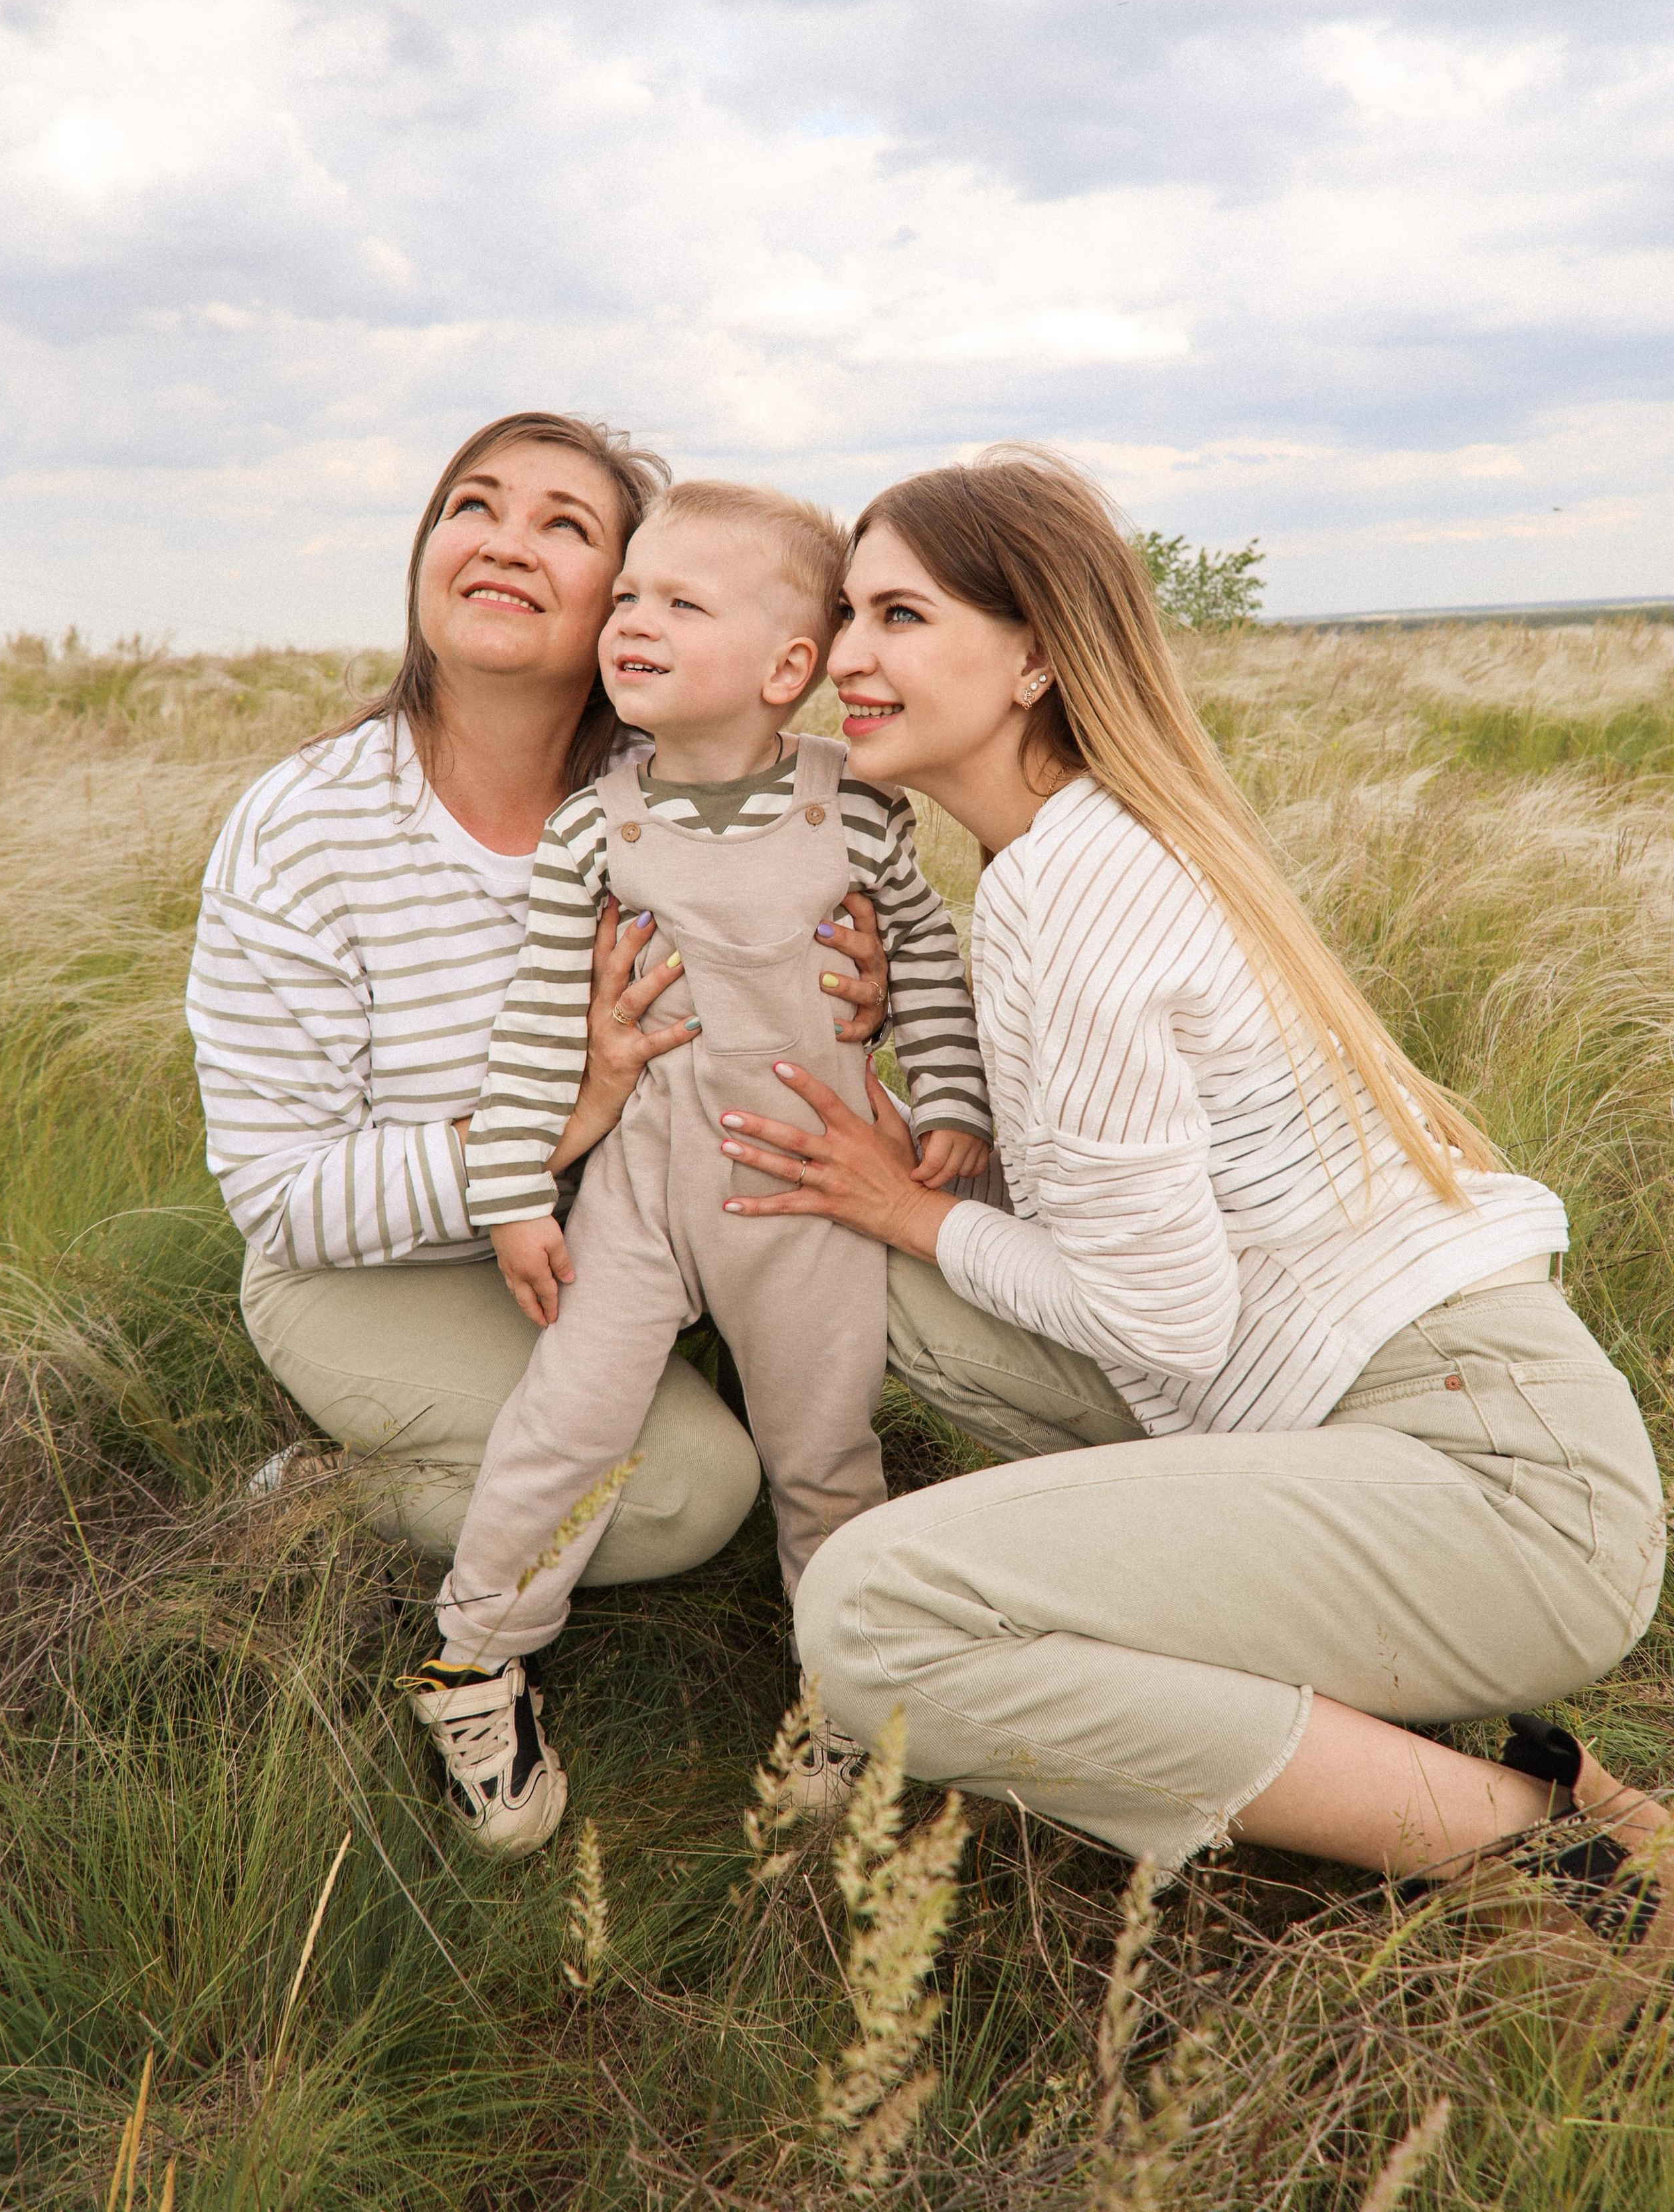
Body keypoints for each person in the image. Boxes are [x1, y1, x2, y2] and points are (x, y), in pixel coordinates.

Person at [716, 447, 1672, 2013]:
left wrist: (912, 1203)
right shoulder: (1065, 852)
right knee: (851, 1260)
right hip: (1349, 1399)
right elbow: (1142, 1223)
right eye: (843, 615)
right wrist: (915, 1178)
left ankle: (1535, 1847)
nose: (848, 656)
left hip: (1496, 1484)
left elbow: (1156, 1318)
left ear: (1032, 657)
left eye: (898, 614)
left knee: (873, 1620)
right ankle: (1275, 1676)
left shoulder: (1073, 897)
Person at [185, 413, 891, 1790]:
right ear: (424, 555)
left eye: (570, 527)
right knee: (691, 1496)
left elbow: (802, 940)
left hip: (628, 1237)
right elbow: (278, 1198)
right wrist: (556, 1124)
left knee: (832, 1361)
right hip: (374, 1270)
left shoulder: (657, 794)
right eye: (474, 506)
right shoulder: (306, 827)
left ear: (626, 604)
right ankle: (336, 1502)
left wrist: (845, 984)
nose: (507, 540)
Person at [408, 481, 992, 1849]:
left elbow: (924, 971)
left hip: (807, 1193)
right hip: (641, 1195)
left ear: (789, 668)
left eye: (681, 602)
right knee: (568, 1423)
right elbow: (539, 1026)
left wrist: (950, 1100)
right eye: (626, 598)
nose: (632, 620)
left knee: (823, 1451)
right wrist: (509, 1194)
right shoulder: (589, 833)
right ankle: (472, 1659)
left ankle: (843, 1692)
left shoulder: (850, 815)